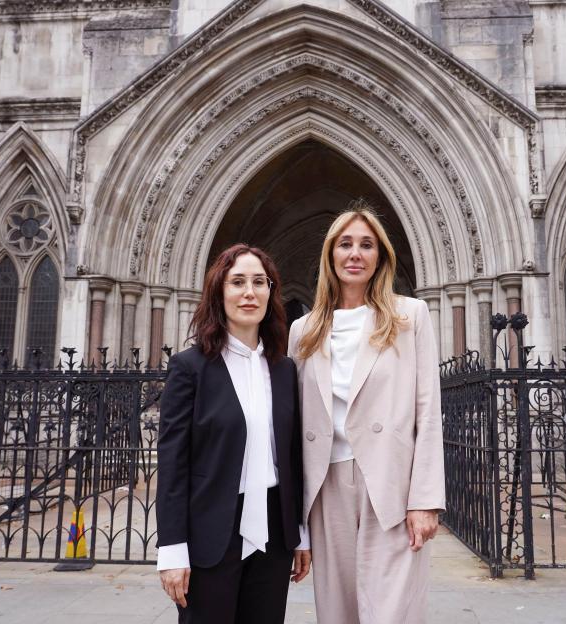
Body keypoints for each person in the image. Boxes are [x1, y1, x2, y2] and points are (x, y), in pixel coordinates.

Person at [288, 201, 445, 623]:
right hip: (325, 484)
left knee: (392, 610)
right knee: (336, 611)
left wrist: (425, 500)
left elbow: (428, 408)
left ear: (380, 257)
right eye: (345, 244)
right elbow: (291, 425)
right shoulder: (302, 331)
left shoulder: (409, 316)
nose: (355, 253)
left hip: (390, 481)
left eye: (366, 245)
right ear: (330, 255)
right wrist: (295, 522)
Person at [156, 244, 311, 623]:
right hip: (211, 532)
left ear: (271, 292)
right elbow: (173, 465)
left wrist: (299, 532)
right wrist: (172, 549)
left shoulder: (284, 370)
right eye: (237, 281)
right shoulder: (189, 368)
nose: (249, 292)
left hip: (273, 534)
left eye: (260, 282)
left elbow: (291, 458)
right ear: (219, 292)